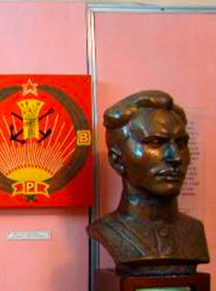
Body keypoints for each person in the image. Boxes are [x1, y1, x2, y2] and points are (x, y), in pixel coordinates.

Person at [88, 90, 209, 276]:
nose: (176, 157)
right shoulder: (106, 230)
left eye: (181, 143)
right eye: (155, 143)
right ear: (117, 160)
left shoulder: (194, 231)